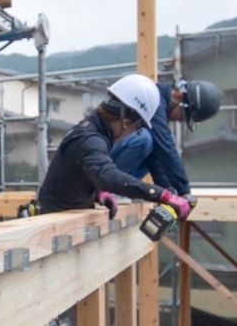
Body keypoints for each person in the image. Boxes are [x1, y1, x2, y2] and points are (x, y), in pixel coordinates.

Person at [37, 73, 192, 219]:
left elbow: (78, 175)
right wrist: (163, 195)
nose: (135, 133)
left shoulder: (93, 130)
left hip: (66, 213)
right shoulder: (90, 140)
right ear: (125, 122)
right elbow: (107, 176)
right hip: (53, 223)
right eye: (137, 128)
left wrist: (97, 193)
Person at [110, 78, 222, 207]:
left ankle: (120, 189)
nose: (179, 120)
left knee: (153, 141)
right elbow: (166, 148)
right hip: (98, 164)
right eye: (182, 115)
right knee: (145, 139)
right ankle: (111, 188)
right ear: (178, 96)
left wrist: (168, 192)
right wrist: (184, 192)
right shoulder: (152, 98)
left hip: (108, 162)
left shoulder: (158, 104)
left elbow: (156, 156)